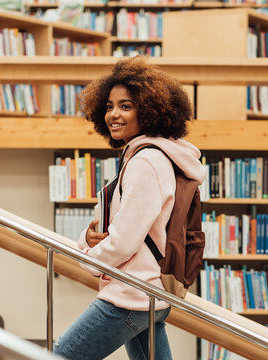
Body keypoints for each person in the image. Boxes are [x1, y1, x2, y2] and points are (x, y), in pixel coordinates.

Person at [53, 56, 206, 360]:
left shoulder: (146, 161)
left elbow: (124, 240)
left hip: (130, 295)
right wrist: (89, 238)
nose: (113, 114)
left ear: (149, 111)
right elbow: (123, 227)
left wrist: (85, 258)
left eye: (126, 106)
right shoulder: (152, 156)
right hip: (149, 292)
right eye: (109, 106)